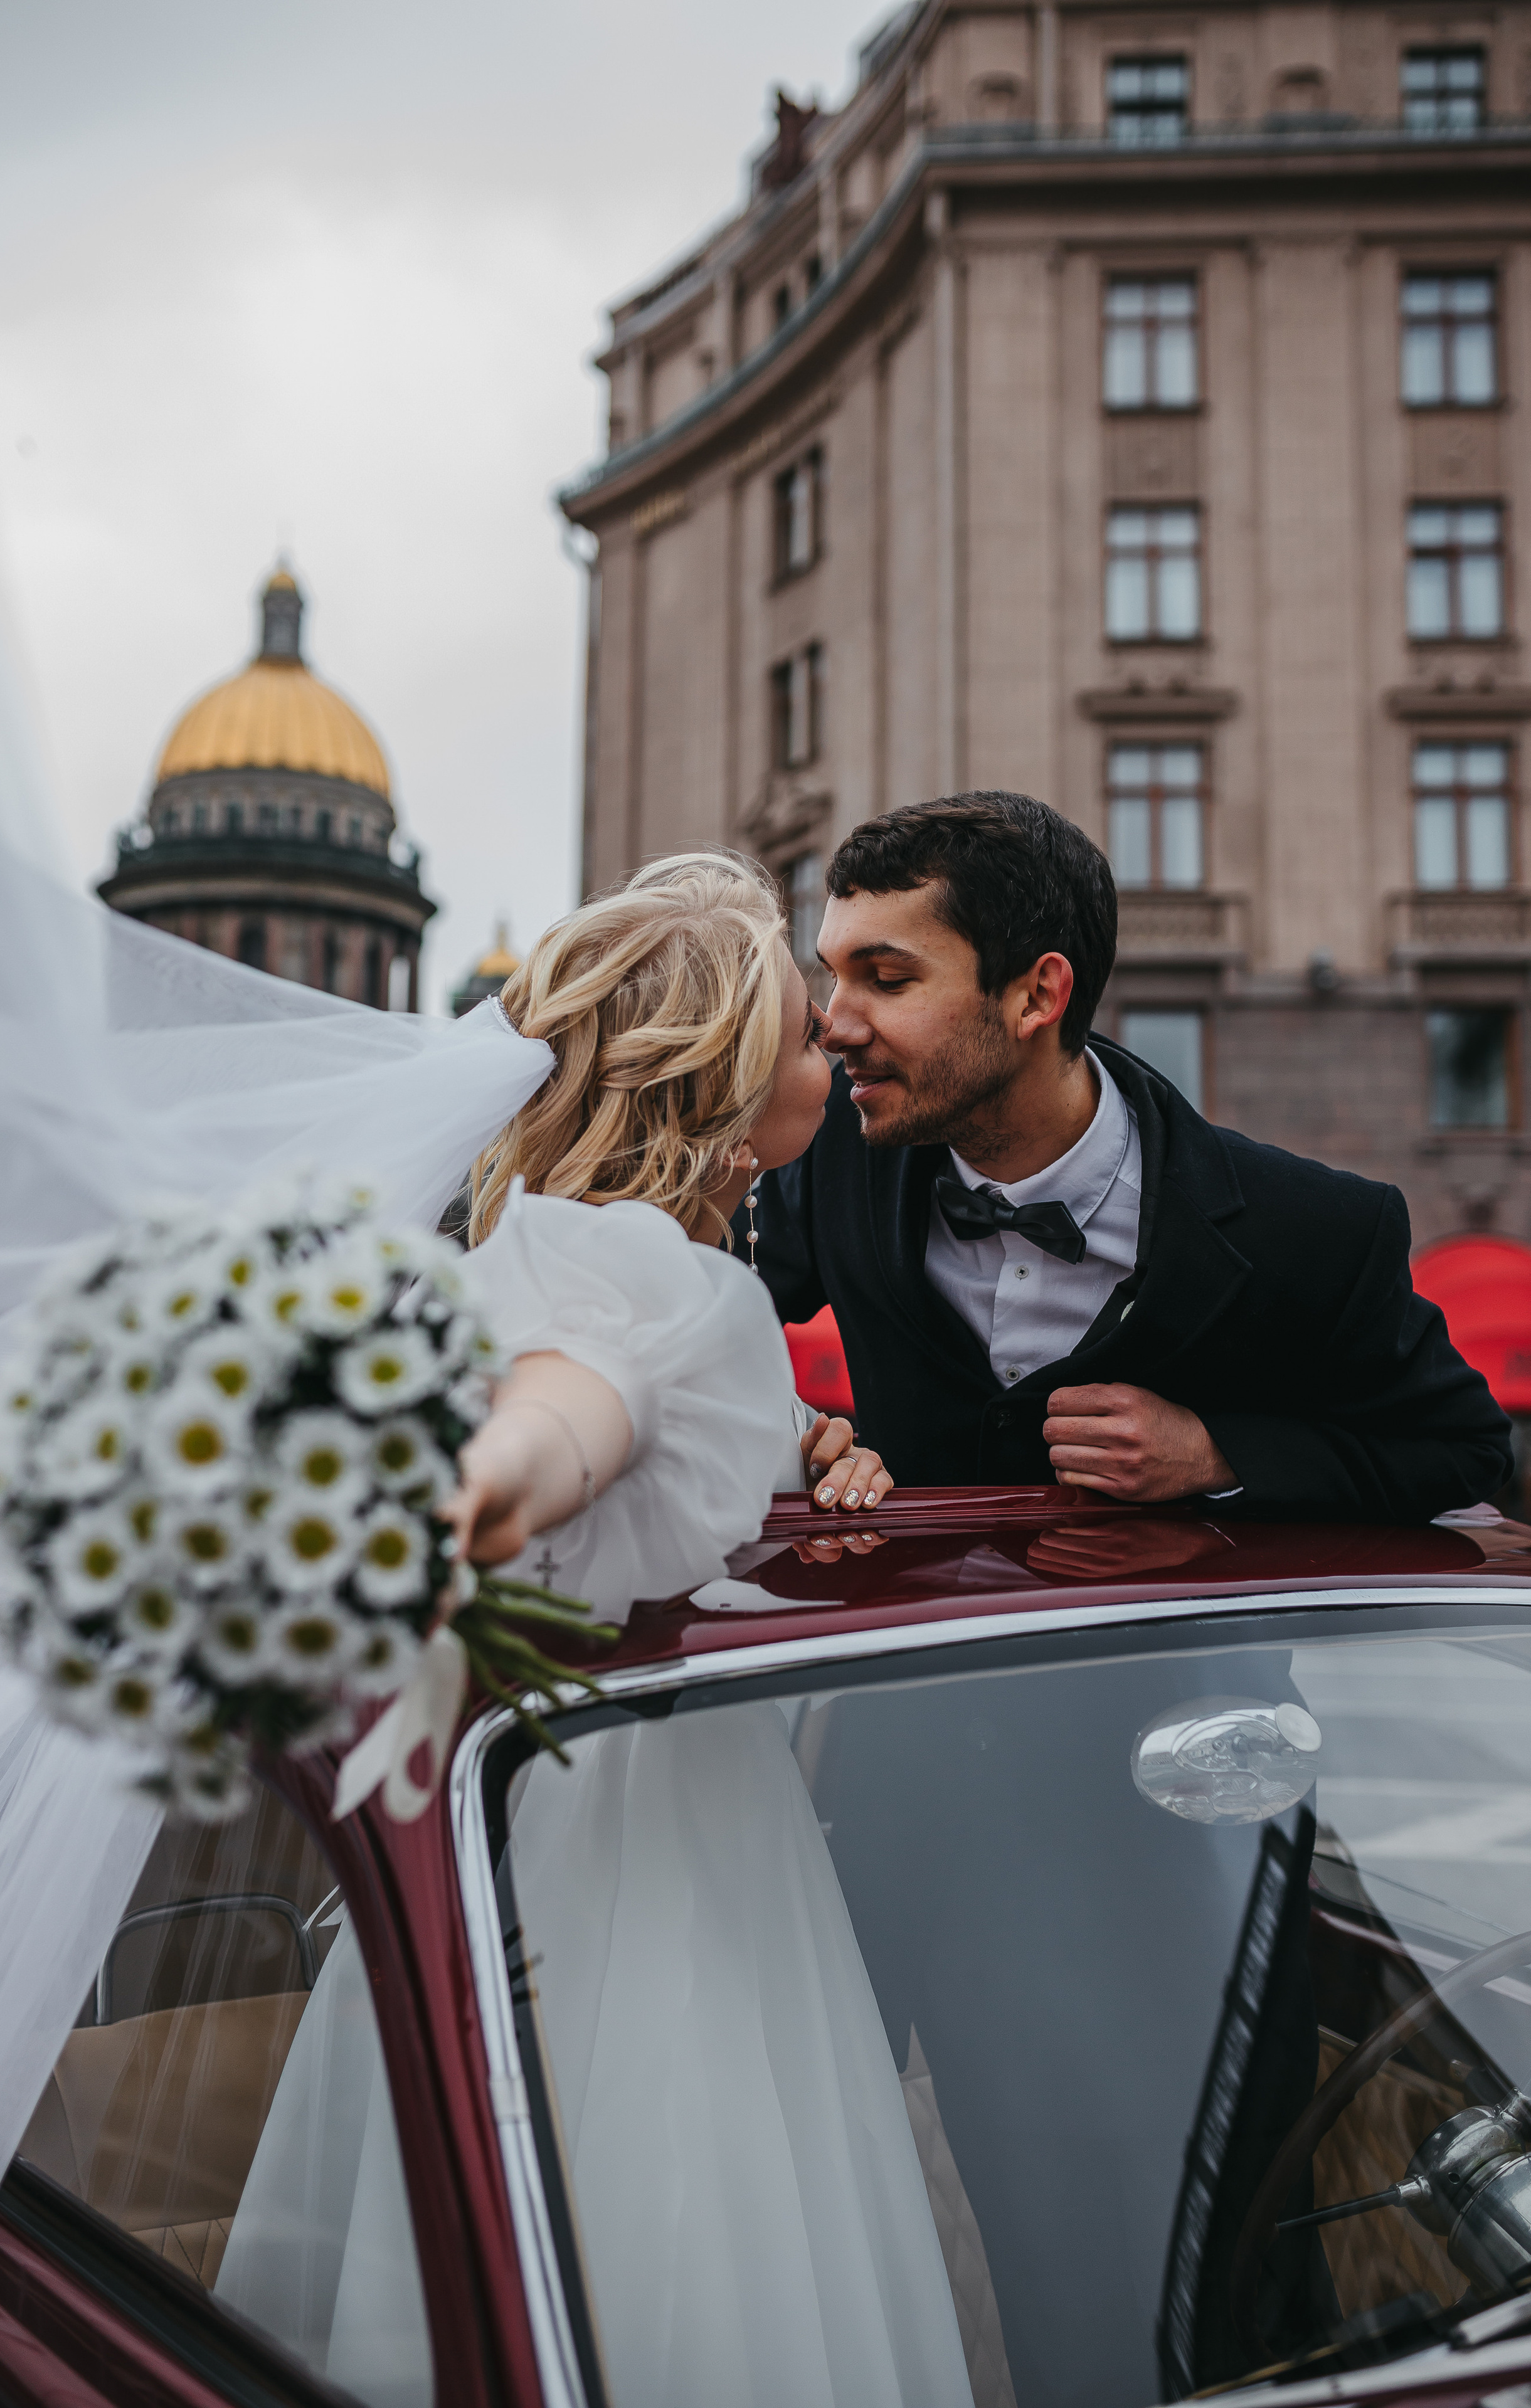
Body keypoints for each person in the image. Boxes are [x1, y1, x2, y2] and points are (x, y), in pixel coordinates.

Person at [222, 857, 975, 2408]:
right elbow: (571, 1411)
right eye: (789, 1030)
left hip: (542, 1818)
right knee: (669, 2229)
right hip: (641, 1841)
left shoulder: (575, 1249)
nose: (823, 1044)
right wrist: (488, 1488)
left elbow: (620, 1427)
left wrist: (803, 1445)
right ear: (706, 1070)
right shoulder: (646, 1269)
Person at [741, 790, 1511, 1521]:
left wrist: (1217, 1458)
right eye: (833, 976)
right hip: (907, 1657)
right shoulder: (827, 1151)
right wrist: (806, 1445)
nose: (834, 1024)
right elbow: (686, 1335)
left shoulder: (1312, 1228)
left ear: (1038, 998)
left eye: (885, 979)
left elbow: (1462, 1448)